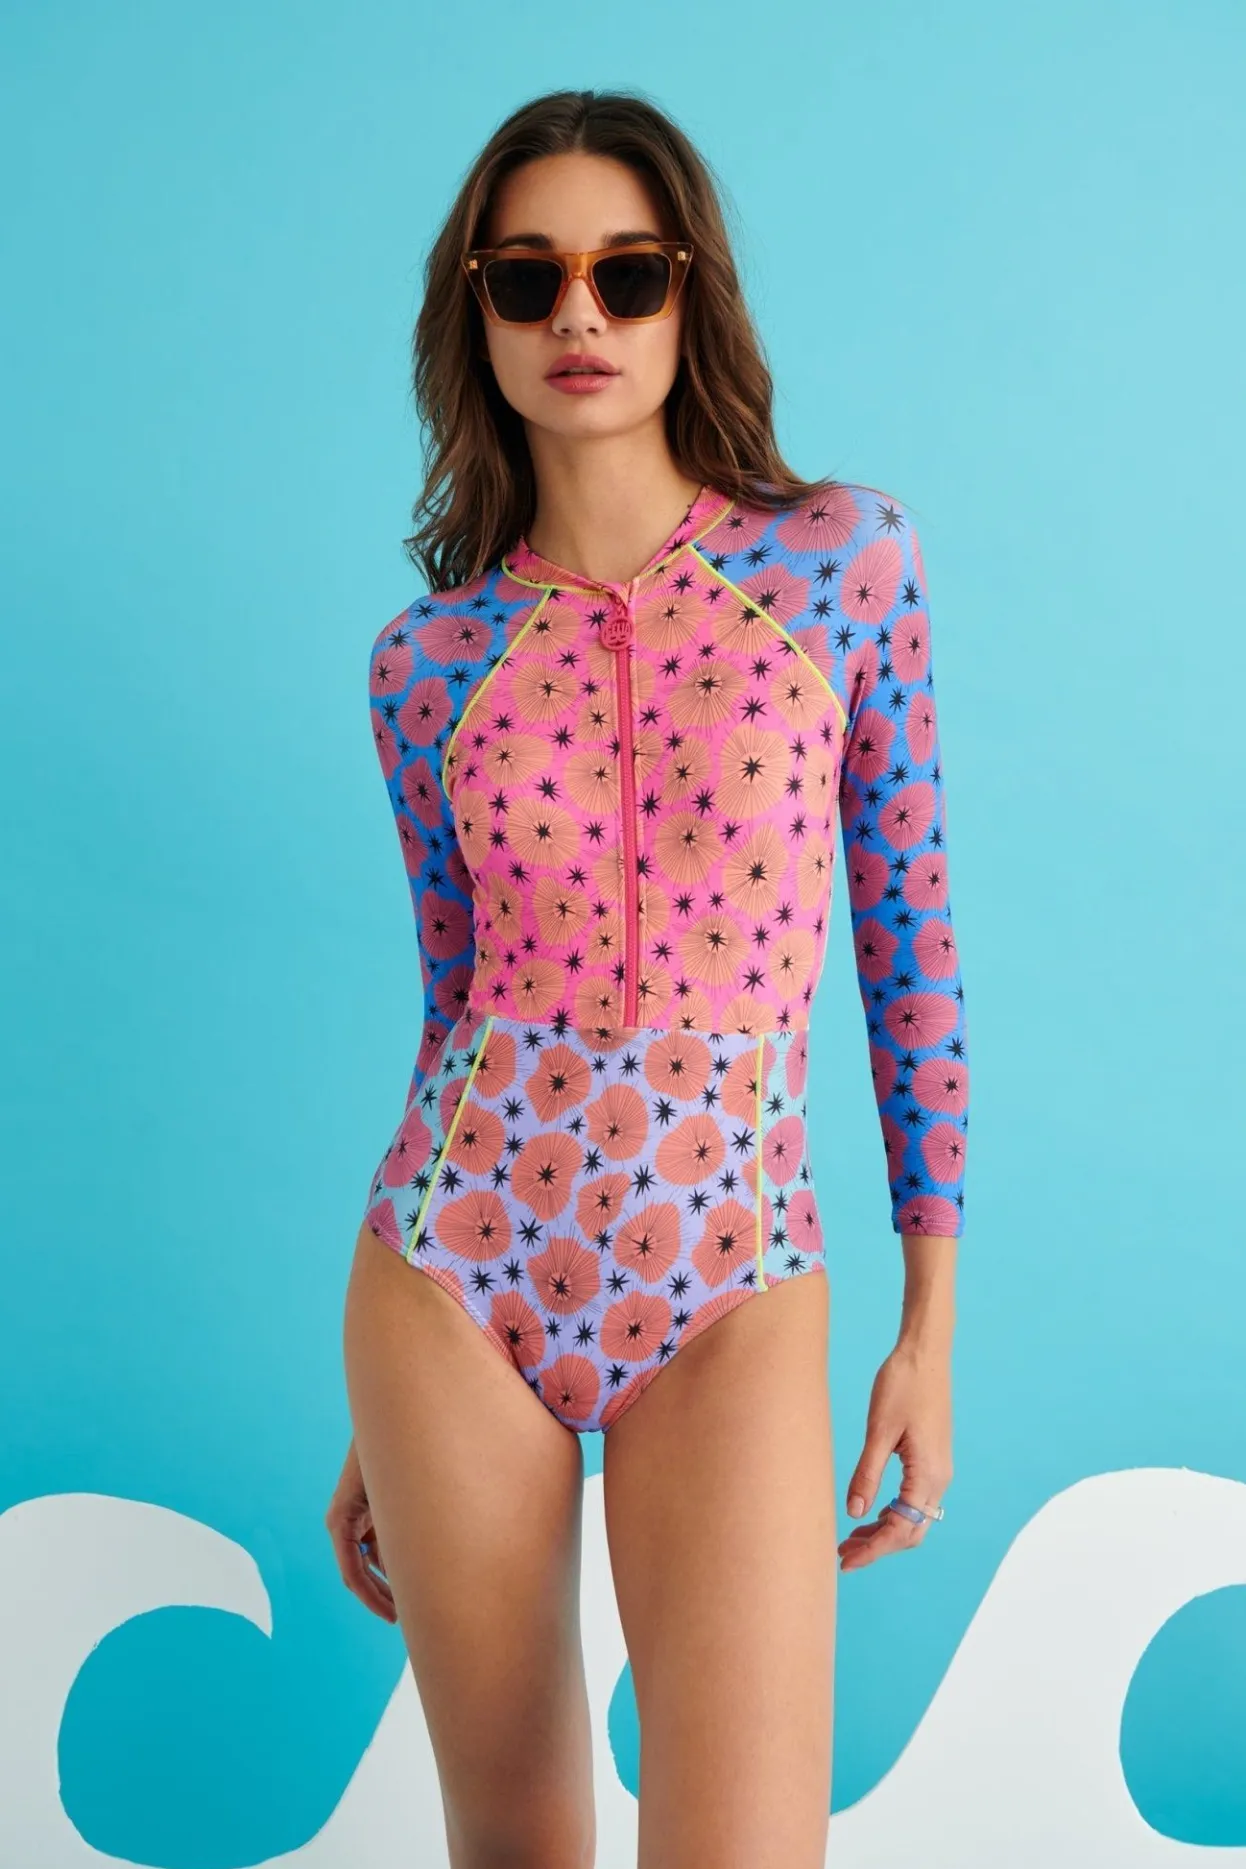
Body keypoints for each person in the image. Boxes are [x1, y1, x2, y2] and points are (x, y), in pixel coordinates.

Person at [326, 86, 967, 1869]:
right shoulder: (424, 661)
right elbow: (451, 1005)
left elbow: (908, 941)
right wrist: (384, 1423)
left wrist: (927, 1324)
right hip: (449, 1277)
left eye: (626, 272)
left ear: (691, 297)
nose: (578, 316)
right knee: (513, 1846)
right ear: (474, 313)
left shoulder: (841, 564)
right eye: (525, 278)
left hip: (731, 1267)